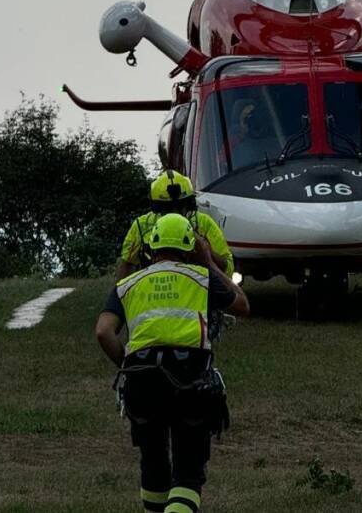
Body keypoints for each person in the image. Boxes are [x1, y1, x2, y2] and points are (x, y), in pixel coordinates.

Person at [96, 213, 249, 513]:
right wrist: (209, 262)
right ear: (191, 247)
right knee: (188, 472)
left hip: (141, 379)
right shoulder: (201, 279)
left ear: (151, 245)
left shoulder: (127, 285)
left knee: (153, 463)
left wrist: (126, 365)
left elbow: (103, 331)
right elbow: (242, 305)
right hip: (191, 379)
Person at [118, 170, 234, 282]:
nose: (175, 213)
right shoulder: (141, 226)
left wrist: (207, 254)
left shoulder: (204, 224)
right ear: (156, 208)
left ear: (190, 205)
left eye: (180, 207)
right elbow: (127, 264)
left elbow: (228, 268)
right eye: (167, 209)